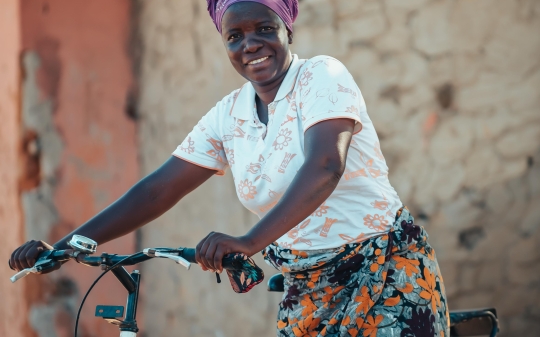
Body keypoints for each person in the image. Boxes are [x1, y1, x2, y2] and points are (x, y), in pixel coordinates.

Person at [10, 0, 450, 335]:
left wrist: (248, 241)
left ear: (287, 29)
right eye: (234, 36)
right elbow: (159, 189)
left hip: (387, 273)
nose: (250, 45)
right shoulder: (230, 114)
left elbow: (325, 166)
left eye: (264, 29)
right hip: (308, 289)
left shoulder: (322, 78)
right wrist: (66, 246)